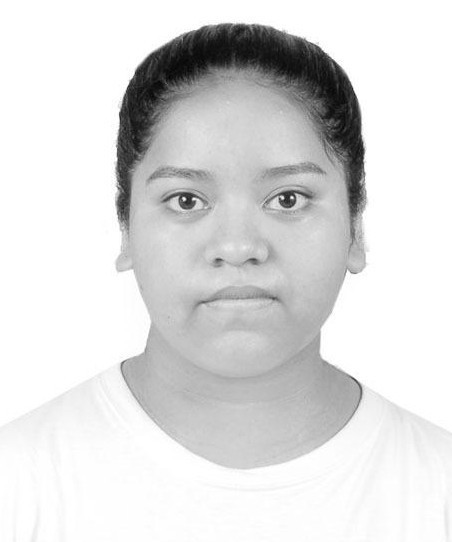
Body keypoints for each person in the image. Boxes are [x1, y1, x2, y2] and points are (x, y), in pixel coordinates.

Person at [0, 22, 451, 541]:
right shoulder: (19, 485)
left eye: (288, 199)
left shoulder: (438, 492)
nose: (238, 247)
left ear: (357, 227)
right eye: (186, 200)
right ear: (125, 227)